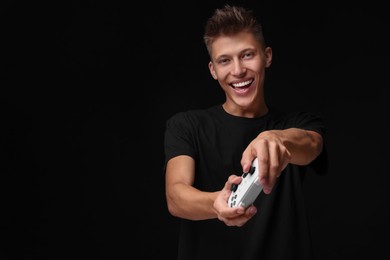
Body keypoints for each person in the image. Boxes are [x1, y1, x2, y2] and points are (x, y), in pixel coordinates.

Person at [163, 4, 326, 260]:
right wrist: (218, 203)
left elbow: (312, 145)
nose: (238, 70)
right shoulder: (187, 125)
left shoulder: (299, 123)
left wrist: (275, 138)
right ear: (213, 70)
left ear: (267, 56)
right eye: (225, 60)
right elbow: (176, 195)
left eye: (248, 55)